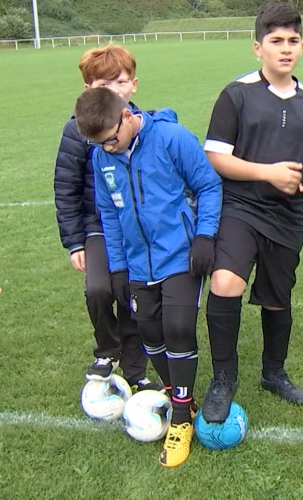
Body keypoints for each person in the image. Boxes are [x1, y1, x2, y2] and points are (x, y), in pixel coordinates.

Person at [74, 87, 222, 468]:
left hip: (181, 255)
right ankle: (176, 393)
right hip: (138, 264)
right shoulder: (100, 157)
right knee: (150, 335)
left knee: (177, 328)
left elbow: (208, 185)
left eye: (110, 139)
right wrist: (119, 266)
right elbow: (109, 213)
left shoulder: (172, 138)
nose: (107, 148)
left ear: (126, 116)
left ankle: (182, 418)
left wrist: (204, 235)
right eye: (98, 144)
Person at [200, 2, 303, 422]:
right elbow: (215, 157)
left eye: (293, 41)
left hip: (287, 214)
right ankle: (224, 379)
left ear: (302, 46)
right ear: (258, 48)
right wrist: (267, 172)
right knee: (225, 282)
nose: (285, 49)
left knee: (278, 299)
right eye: (276, 41)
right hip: (239, 207)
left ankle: (273, 373)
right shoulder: (235, 94)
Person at [54, 45, 154, 391]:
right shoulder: (76, 132)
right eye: (102, 84)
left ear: (134, 85)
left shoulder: (146, 126)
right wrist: (73, 241)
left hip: (137, 231)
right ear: (88, 89)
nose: (113, 91)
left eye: (120, 82)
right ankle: (106, 350)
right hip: (97, 229)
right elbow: (66, 188)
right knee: (99, 289)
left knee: (132, 290)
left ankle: (134, 362)